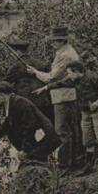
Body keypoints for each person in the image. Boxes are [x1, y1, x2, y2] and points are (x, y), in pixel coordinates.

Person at [36, 60, 98, 175]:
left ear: (77, 72)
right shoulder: (73, 80)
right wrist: (46, 88)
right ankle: (89, 166)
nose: (68, 76)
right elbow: (60, 83)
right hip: (85, 112)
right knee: (87, 140)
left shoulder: (93, 77)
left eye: (70, 73)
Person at [27, 26, 80, 170]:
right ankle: (73, 163)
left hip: (63, 97)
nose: (52, 43)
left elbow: (51, 77)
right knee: (71, 131)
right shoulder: (66, 52)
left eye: (55, 41)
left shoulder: (65, 55)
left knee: (62, 131)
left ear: (62, 41)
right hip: (67, 96)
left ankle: (64, 166)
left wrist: (35, 72)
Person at [0, 81, 62, 166]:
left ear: (2, 95)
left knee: (34, 164)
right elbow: (6, 126)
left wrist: (25, 150)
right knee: (30, 163)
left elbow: (29, 127)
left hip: (44, 139)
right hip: (37, 139)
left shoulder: (20, 104)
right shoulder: (11, 103)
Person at [3, 34, 53, 122]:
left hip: (27, 103)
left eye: (12, 52)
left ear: (17, 52)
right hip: (43, 102)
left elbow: (5, 84)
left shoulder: (16, 67)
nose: (12, 55)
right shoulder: (40, 63)